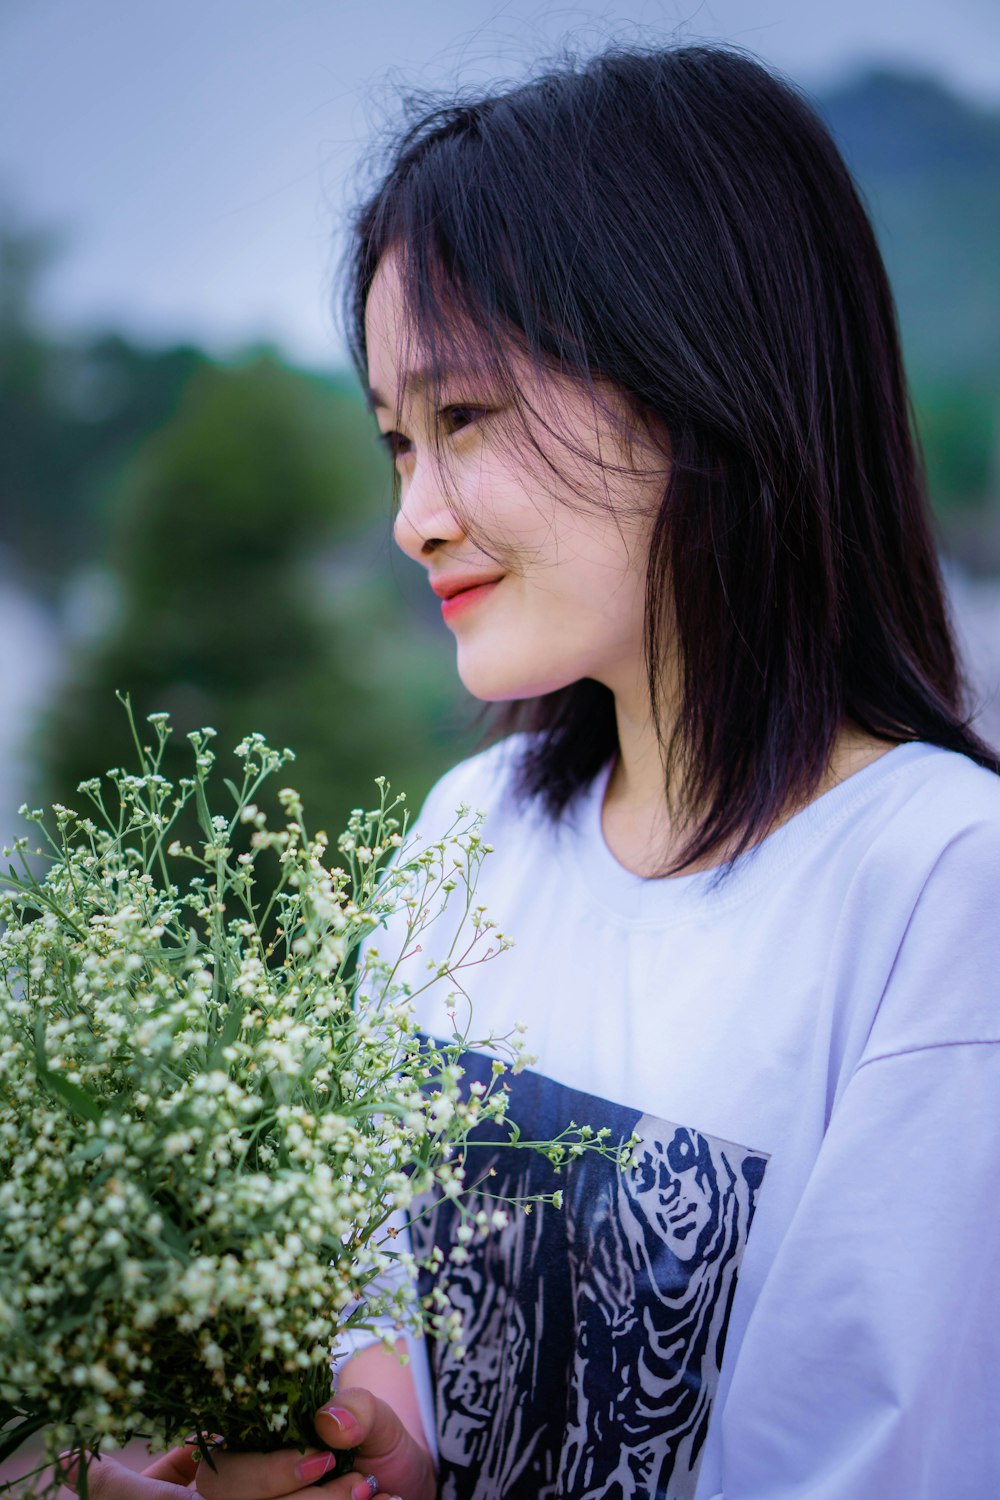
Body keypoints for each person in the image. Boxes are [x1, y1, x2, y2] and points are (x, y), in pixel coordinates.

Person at [71, 41, 1000, 1500]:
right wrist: (329, 1453)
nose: (412, 516)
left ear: (705, 379)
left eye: (464, 419)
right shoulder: (473, 834)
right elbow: (382, 1321)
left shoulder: (943, 888)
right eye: (393, 443)